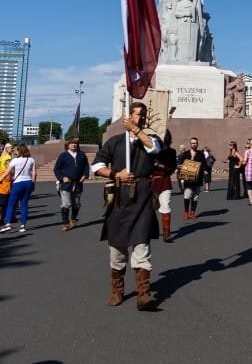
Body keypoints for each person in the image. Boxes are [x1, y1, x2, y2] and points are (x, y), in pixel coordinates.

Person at [91, 102, 161, 310]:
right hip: (120, 198)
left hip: (142, 199)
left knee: (142, 246)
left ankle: (143, 294)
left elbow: (154, 148)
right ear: (128, 116)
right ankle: (117, 290)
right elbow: (96, 166)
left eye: (142, 115)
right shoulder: (115, 142)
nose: (139, 117)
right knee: (117, 248)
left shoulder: (151, 139)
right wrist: (116, 174)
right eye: (135, 114)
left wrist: (136, 130)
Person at [53, 138, 90, 232]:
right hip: (66, 184)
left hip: (78, 183)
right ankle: (65, 223)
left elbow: (86, 166)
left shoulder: (82, 155)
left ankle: (73, 219)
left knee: (76, 204)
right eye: (72, 143)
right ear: (68, 145)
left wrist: (85, 175)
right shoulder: (63, 155)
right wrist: (62, 177)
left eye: (76, 143)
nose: (74, 145)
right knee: (66, 204)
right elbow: (57, 169)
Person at [0, 146, 37, 235]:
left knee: (11, 204)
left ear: (19, 151)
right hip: (28, 182)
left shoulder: (15, 160)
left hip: (18, 183)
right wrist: (33, 183)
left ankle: (8, 224)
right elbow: (34, 173)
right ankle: (23, 226)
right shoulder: (31, 160)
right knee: (24, 204)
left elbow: (7, 172)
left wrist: (0, 179)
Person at [152, 129, 178, 243]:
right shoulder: (150, 150)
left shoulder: (171, 151)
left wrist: (160, 165)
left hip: (165, 181)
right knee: (148, 208)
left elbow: (172, 168)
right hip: (150, 182)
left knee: (165, 206)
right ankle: (148, 230)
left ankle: (166, 234)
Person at [180, 136, 206, 219]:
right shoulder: (186, 154)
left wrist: (204, 170)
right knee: (187, 195)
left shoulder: (201, 154)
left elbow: (204, 165)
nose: (194, 144)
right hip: (188, 179)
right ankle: (186, 212)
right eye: (192, 143)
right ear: (190, 144)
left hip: (198, 179)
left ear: (197, 144)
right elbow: (181, 164)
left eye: (195, 143)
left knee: (195, 197)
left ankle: (193, 212)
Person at [0, 142, 14, 224]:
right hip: (5, 179)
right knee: (4, 201)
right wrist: (13, 173)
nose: (12, 149)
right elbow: (9, 169)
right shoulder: (8, 157)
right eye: (11, 148)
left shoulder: (2, 156)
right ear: (7, 148)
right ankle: (2, 218)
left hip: (1, 176)